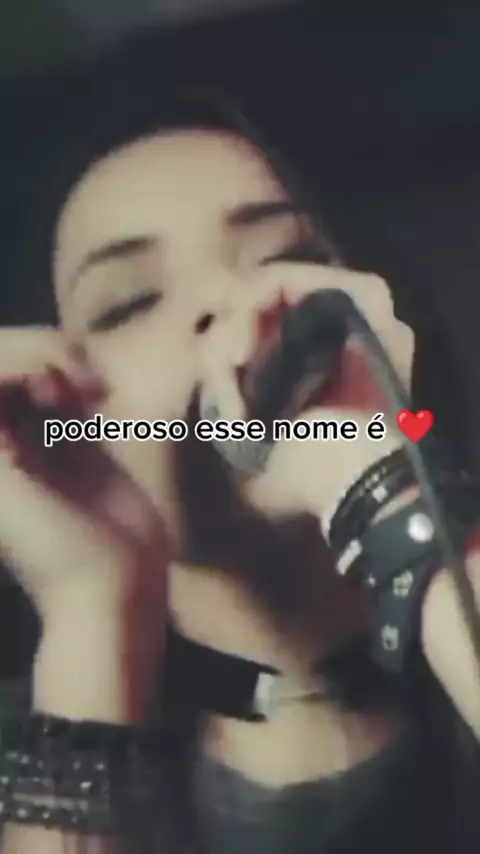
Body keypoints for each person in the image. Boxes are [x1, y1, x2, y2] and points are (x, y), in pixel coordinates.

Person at [0, 74, 480, 854]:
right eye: (128, 302)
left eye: (284, 256)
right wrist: (93, 613)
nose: (227, 301)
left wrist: (385, 492)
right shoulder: (30, 742)